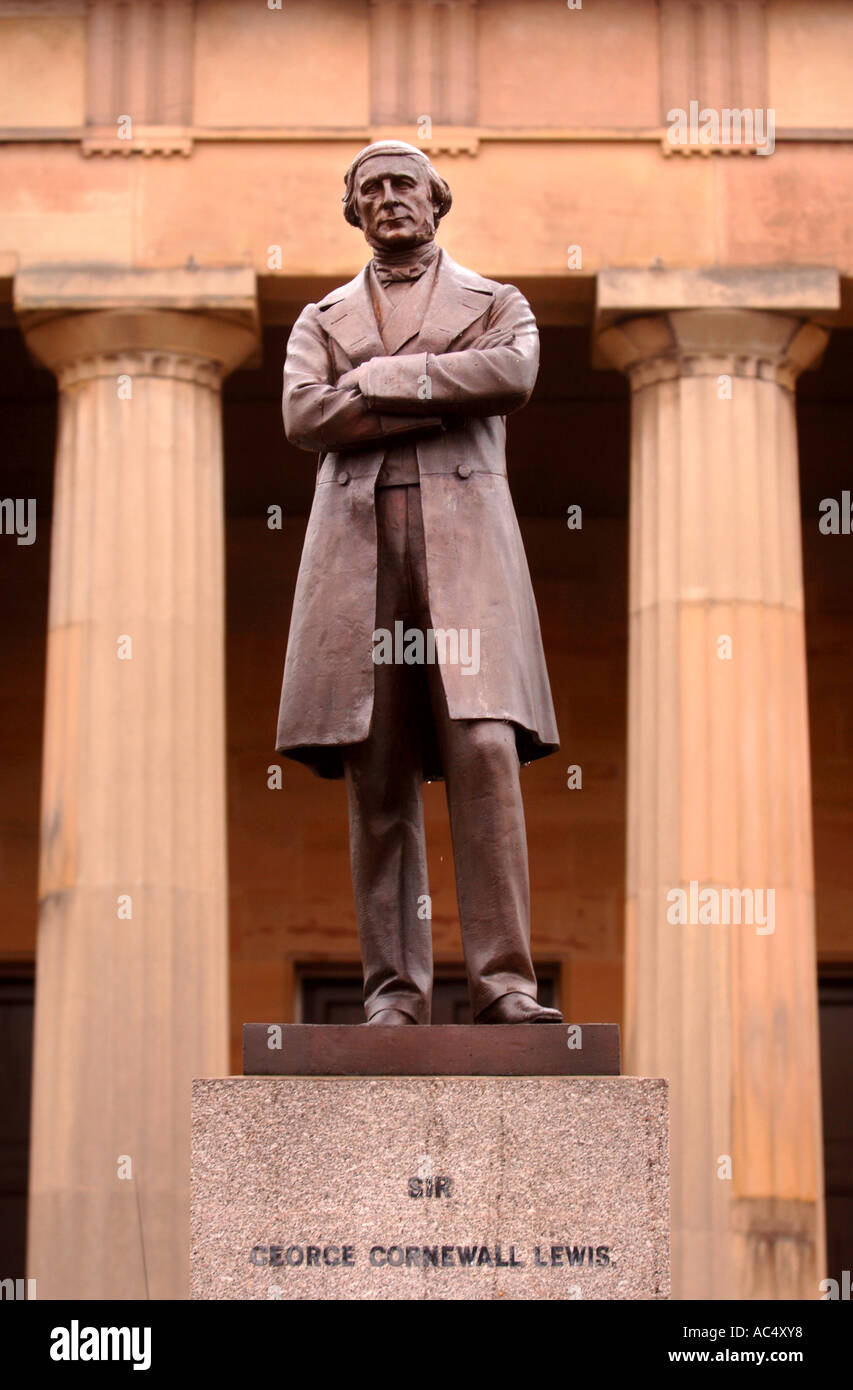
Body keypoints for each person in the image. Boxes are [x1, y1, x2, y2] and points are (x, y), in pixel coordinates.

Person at [276, 140, 561, 1025]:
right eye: (370, 190)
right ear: (354, 212)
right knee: (379, 765)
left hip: (464, 554)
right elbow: (303, 414)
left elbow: (509, 375)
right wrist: (444, 391)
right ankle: (392, 992)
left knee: (481, 750)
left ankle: (503, 983)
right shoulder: (320, 317)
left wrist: (382, 381)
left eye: (405, 184)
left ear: (438, 201)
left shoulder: (498, 301)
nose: (389, 198)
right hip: (358, 554)